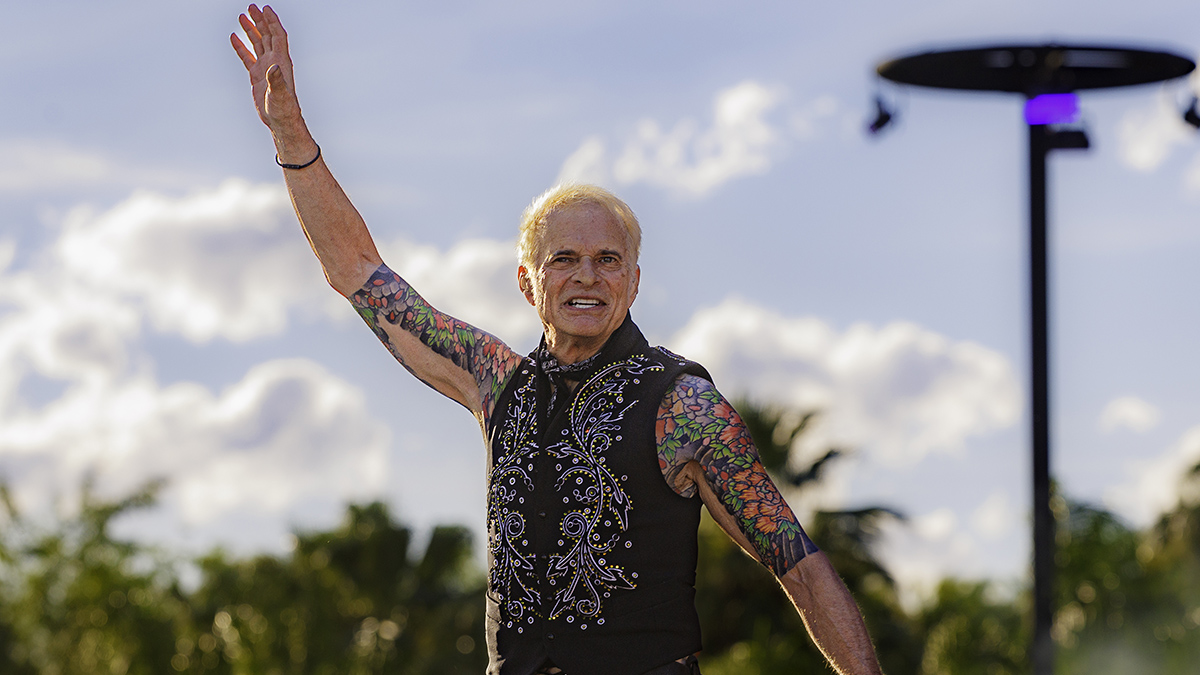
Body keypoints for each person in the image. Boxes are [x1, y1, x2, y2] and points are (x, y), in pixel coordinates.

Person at [231, 6, 885, 675]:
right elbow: (359, 273)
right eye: (564, 258)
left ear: (632, 282)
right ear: (528, 282)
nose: (587, 277)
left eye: (607, 260)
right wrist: (290, 130)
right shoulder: (496, 380)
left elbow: (795, 559)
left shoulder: (682, 404)